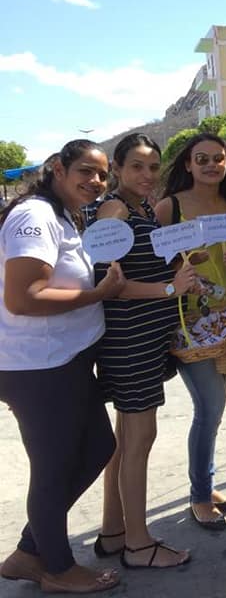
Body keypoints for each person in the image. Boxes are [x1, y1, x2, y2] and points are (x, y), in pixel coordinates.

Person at [0, 140, 124, 593]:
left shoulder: (64, 216)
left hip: (65, 362)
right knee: (53, 468)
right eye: (87, 171)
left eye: (102, 175)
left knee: (96, 449)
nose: (96, 181)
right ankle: (56, 567)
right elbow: (23, 297)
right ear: (57, 167)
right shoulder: (34, 216)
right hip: (39, 368)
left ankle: (28, 552)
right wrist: (98, 295)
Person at [92, 134, 194, 568]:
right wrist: (170, 287)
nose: (147, 175)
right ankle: (139, 544)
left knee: (126, 438)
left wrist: (180, 267)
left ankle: (114, 531)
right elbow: (108, 285)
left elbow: (141, 263)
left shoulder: (142, 208)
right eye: (137, 166)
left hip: (143, 339)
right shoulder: (114, 210)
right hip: (129, 341)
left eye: (153, 167)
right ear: (117, 168)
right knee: (140, 438)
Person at [155, 132, 226, 530]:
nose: (212, 165)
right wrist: (177, 272)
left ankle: (205, 484)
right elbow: (151, 262)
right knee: (209, 407)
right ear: (187, 164)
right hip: (188, 324)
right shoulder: (169, 208)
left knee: (215, 408)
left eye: (219, 158)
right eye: (202, 159)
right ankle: (199, 496)